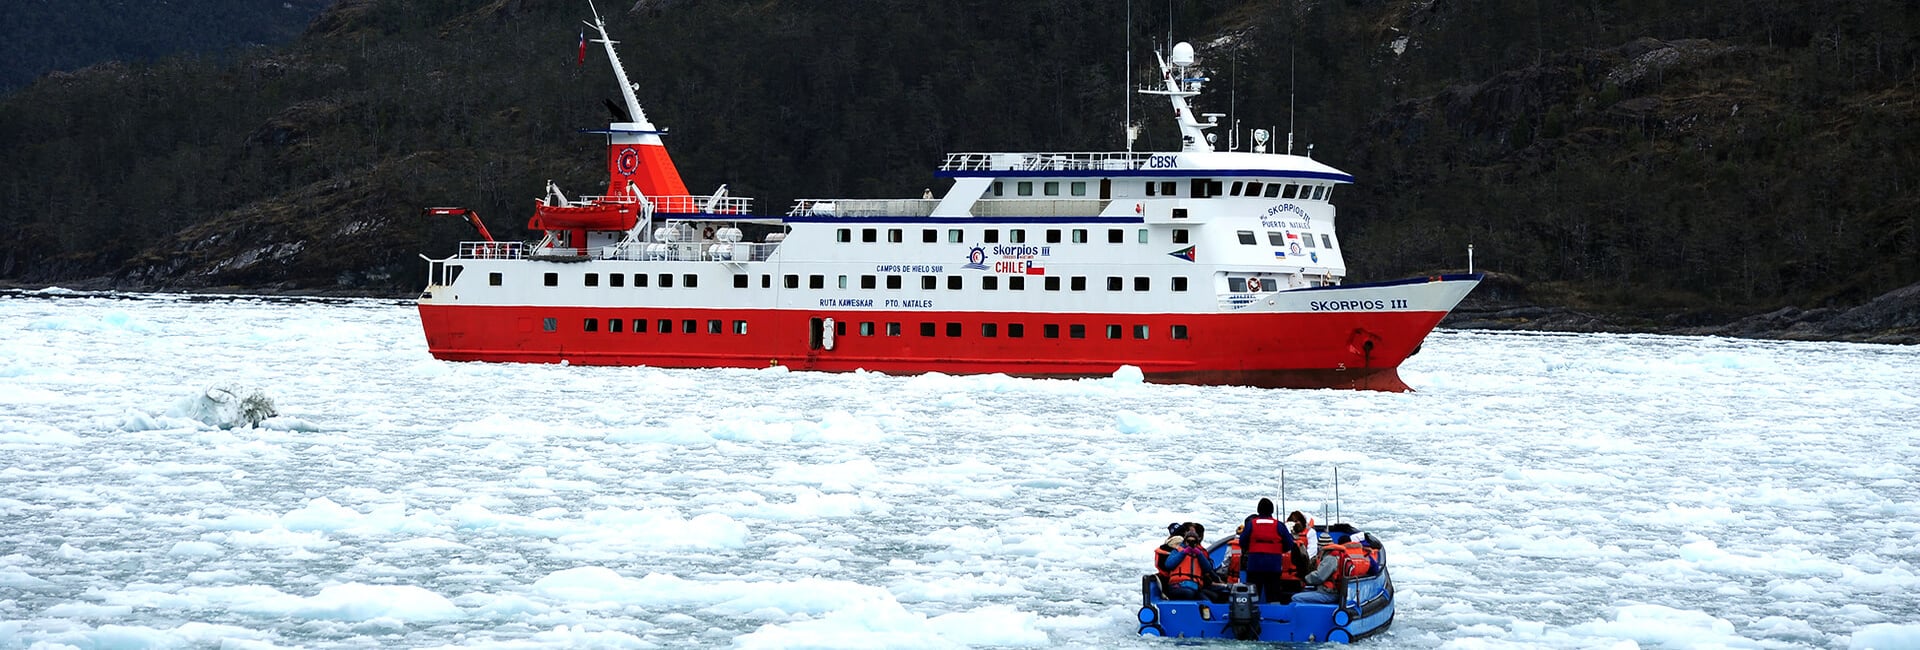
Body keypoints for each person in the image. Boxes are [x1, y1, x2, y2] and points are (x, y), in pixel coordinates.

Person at [1237, 498, 1302, 602]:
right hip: (1273, 566)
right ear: (1272, 510)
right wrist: (1278, 550)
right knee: (1273, 595)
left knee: (1253, 594)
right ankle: (1274, 614)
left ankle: (1251, 613)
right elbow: (1289, 544)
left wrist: (1252, 549)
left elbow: (1242, 542)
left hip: (1254, 565)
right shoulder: (1279, 525)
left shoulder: (1251, 524)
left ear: (1258, 510)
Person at [1160, 527, 1226, 601]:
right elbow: (1169, 565)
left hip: (1195, 587)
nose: (1190, 543)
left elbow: (1208, 568)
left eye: (1193, 542)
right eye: (1188, 541)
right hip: (1177, 586)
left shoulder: (1199, 554)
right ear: (1185, 541)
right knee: (1189, 593)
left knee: (1210, 598)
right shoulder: (1177, 551)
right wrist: (1184, 552)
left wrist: (1199, 554)